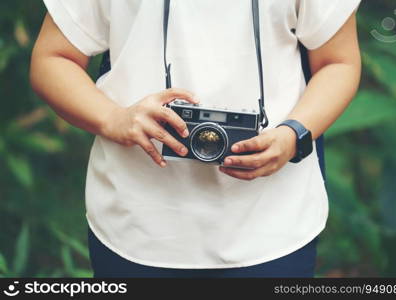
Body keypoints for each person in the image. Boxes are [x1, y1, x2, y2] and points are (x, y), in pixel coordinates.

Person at [30, 0, 361, 278]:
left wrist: (294, 134)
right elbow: (52, 59)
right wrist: (114, 119)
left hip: (273, 224)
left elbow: (338, 61)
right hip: (135, 222)